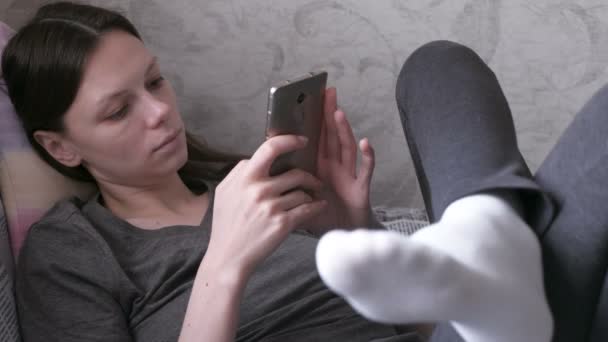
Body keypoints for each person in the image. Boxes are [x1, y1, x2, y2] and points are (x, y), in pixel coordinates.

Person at [3, 2, 603, 342]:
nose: (161, 113)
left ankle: (484, 233)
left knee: (436, 66)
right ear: (62, 148)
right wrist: (225, 262)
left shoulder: (250, 182)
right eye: (118, 111)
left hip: (461, 329)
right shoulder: (73, 251)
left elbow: (417, 322)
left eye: (155, 82)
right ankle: (494, 246)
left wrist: (350, 226)